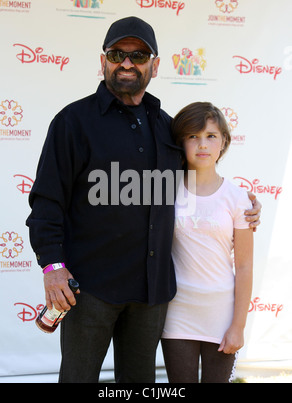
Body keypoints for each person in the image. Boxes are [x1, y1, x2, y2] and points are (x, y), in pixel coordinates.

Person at [26, 17, 261, 383]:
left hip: (151, 295)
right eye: (118, 54)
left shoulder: (168, 129)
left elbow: (201, 178)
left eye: (138, 55)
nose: (127, 63)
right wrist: (52, 266)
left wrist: (245, 204)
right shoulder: (73, 122)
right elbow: (46, 200)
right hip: (89, 289)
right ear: (102, 60)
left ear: (155, 65)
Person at [161, 102, 254, 383]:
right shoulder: (164, 189)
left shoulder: (238, 198)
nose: (202, 144)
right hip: (178, 312)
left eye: (211, 136)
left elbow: (246, 266)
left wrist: (238, 326)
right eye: (193, 136)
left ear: (224, 141)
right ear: (181, 142)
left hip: (222, 314)